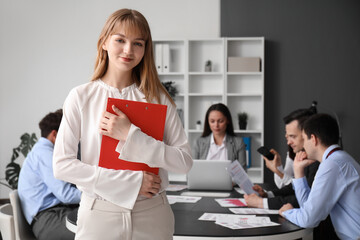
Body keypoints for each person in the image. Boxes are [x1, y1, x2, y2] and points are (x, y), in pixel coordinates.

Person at [53, 9, 192, 240]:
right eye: (120, 40)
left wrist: (131, 135)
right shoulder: (81, 96)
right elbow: (62, 165)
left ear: (145, 49)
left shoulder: (159, 98)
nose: (129, 50)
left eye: (138, 43)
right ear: (104, 42)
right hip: (99, 215)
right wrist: (134, 182)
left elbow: (184, 162)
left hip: (153, 214)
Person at [279, 114, 360, 239]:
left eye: (304, 139)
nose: (303, 145)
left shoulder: (332, 165)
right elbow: (309, 208)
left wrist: (287, 212)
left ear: (313, 139)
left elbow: (309, 219)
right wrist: (298, 171)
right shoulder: (339, 159)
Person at [18, 109, 81, 240]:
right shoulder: (45, 154)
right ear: (54, 135)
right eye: (69, 135)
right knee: (94, 233)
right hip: (48, 220)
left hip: (55, 214)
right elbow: (66, 195)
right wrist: (96, 196)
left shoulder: (42, 152)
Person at [245, 108, 318, 209]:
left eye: (292, 136)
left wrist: (261, 203)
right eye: (287, 137)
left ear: (308, 135)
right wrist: (267, 195)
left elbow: (305, 199)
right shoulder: (303, 155)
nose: (288, 142)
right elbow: (294, 187)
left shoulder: (317, 160)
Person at [192, 103, 246, 169]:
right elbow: (193, 170)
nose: (216, 125)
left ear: (227, 120)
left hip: (229, 180)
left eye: (220, 121)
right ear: (208, 122)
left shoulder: (238, 143)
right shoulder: (198, 143)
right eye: (212, 121)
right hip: (204, 179)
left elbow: (242, 173)